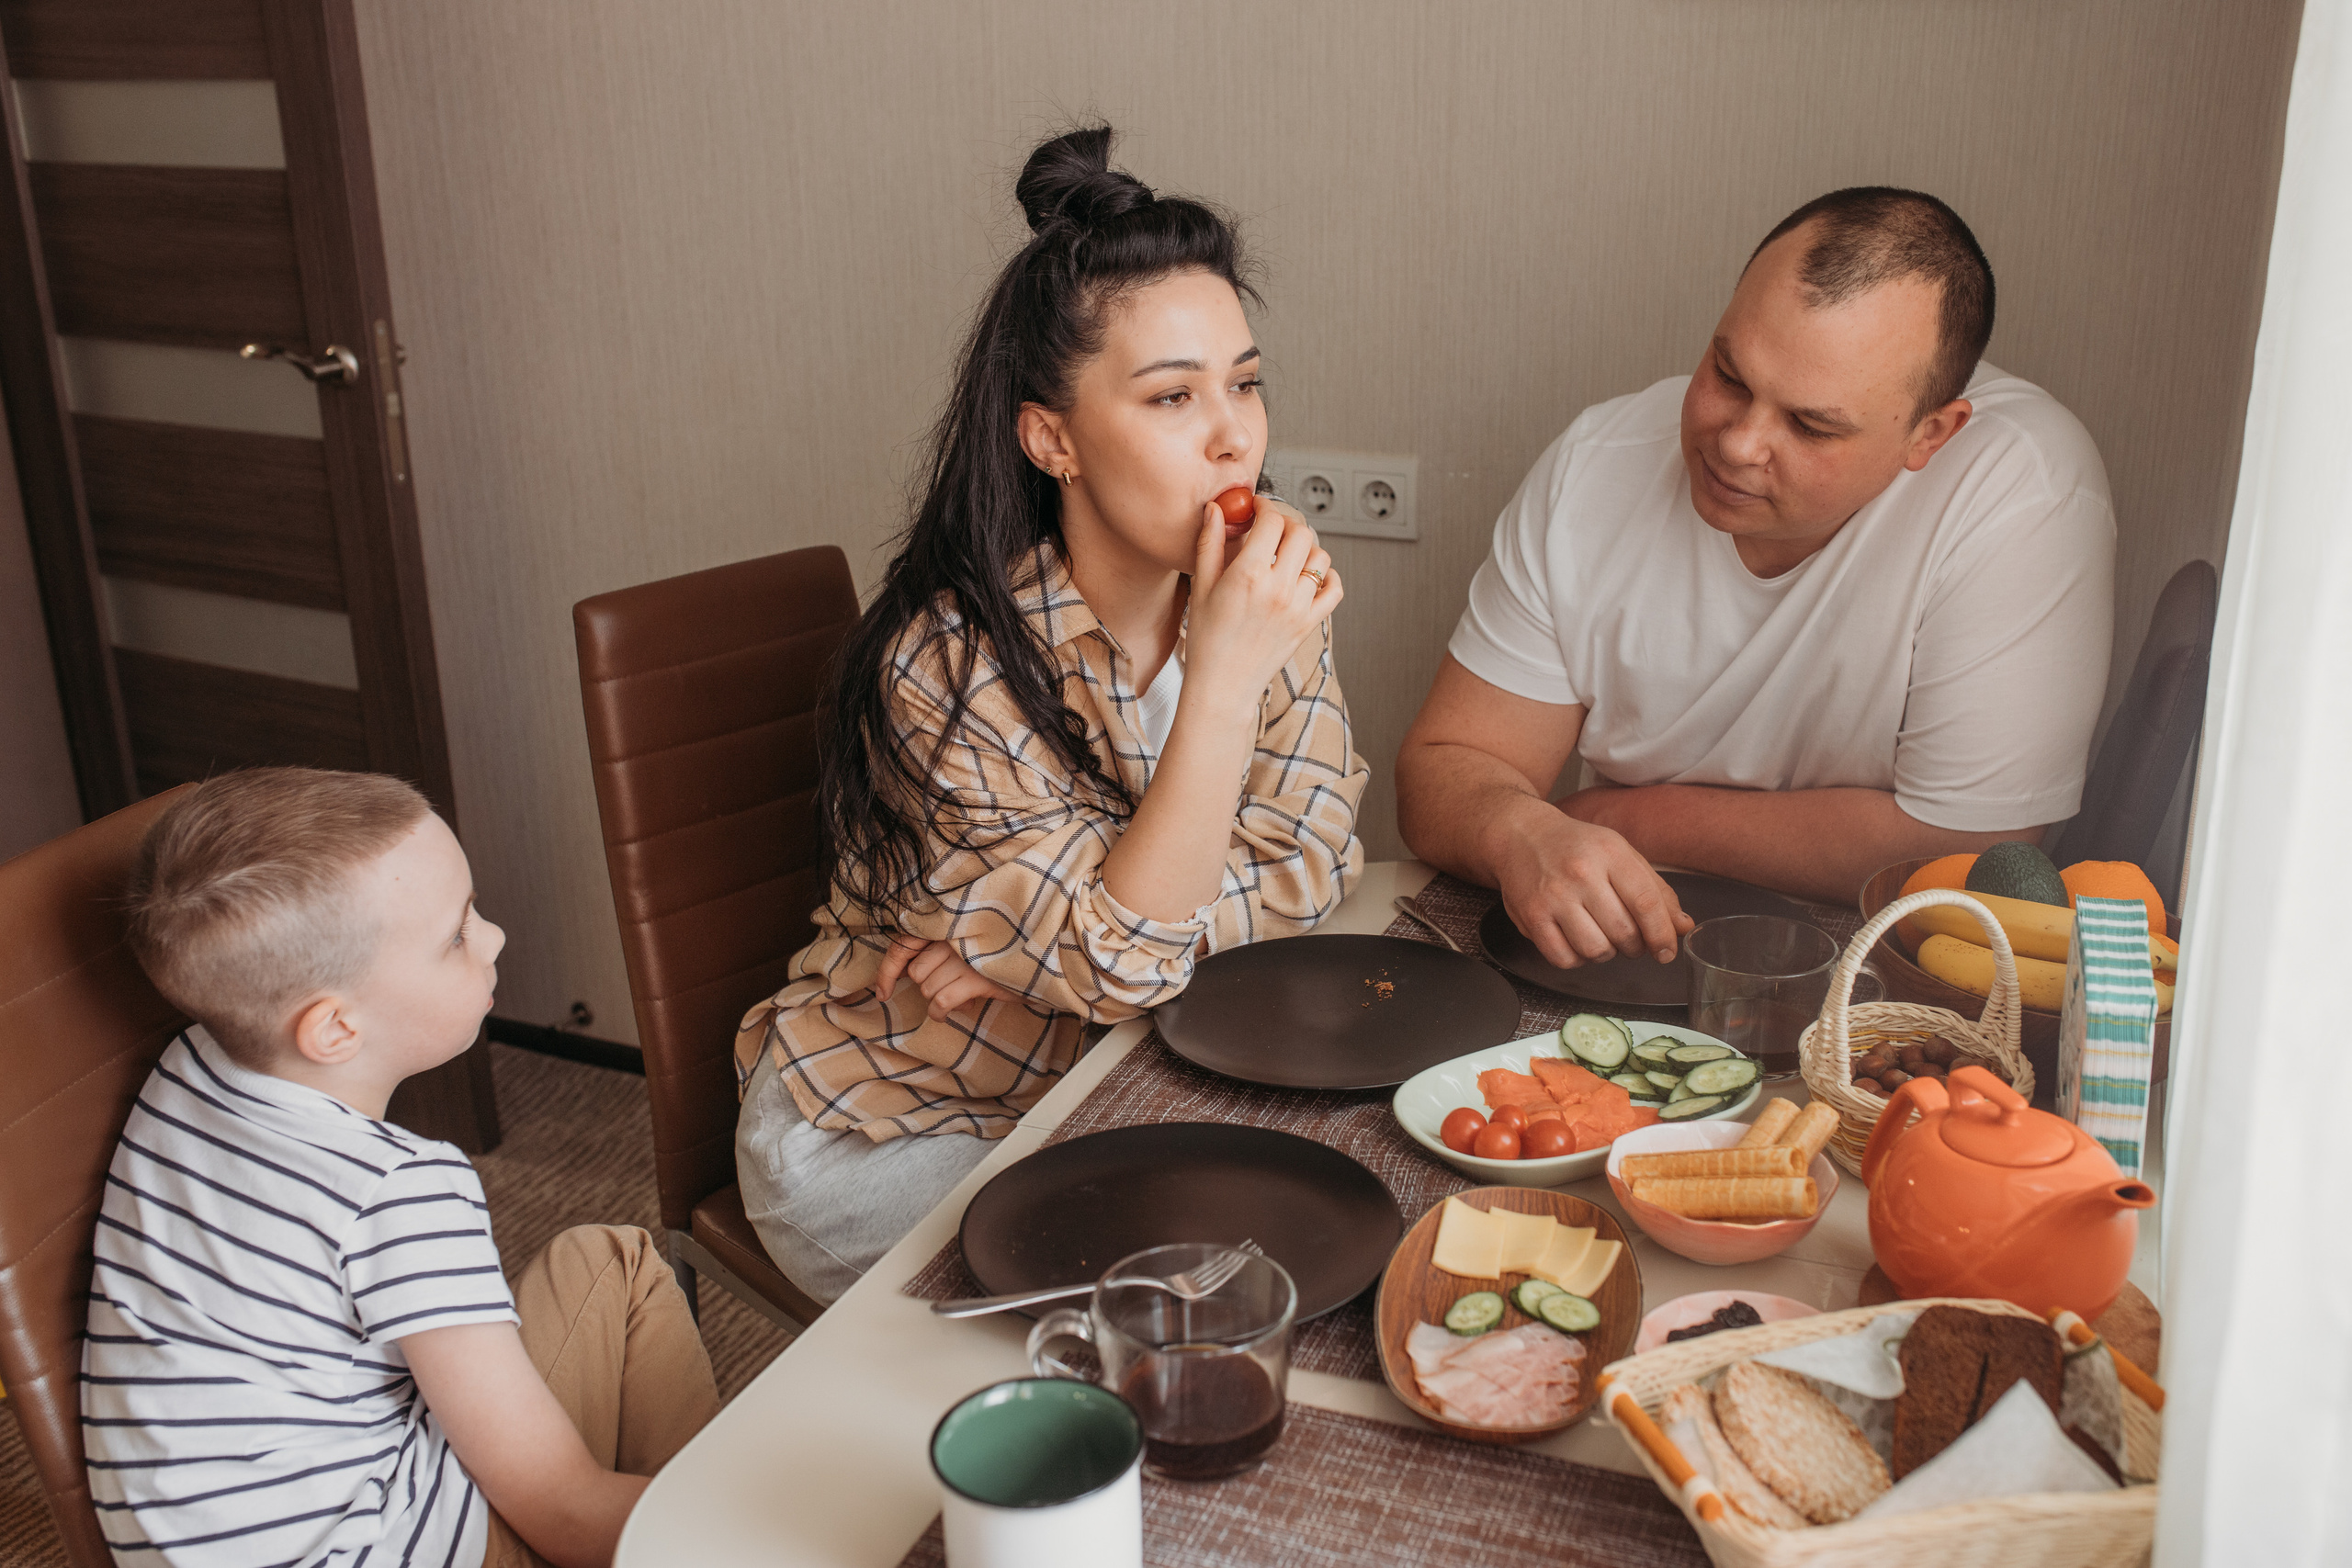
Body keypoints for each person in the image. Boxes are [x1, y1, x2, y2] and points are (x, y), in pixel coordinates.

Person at [733, 126, 1368, 1302]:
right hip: (886, 1131)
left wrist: (1045, 961)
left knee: (1325, 1226)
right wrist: (1222, 692)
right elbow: (1130, 959)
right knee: (1212, 1296)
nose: (1234, 433)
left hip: (1088, 1088)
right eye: (1173, 396)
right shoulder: (950, 661)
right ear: (1052, 438)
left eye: (1244, 381)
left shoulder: (1259, 589)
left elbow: (1317, 860)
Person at [1396, 186, 2113, 968]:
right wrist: (1520, 829)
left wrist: (1622, 817)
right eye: (1729, 375)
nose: (1737, 443)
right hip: (1629, 944)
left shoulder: (2025, 488)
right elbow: (1444, 766)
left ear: (1930, 434)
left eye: (1810, 425)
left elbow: (1965, 847)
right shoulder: (1597, 463)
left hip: (1888, 955)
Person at [88, 767, 718, 1568]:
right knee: (621, 1264)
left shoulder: (189, 1065)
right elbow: (562, 1506)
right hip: (392, 1549)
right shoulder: (399, 1193)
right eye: (456, 935)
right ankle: (708, 1513)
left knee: (592, 1266)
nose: (493, 939)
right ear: (335, 1029)